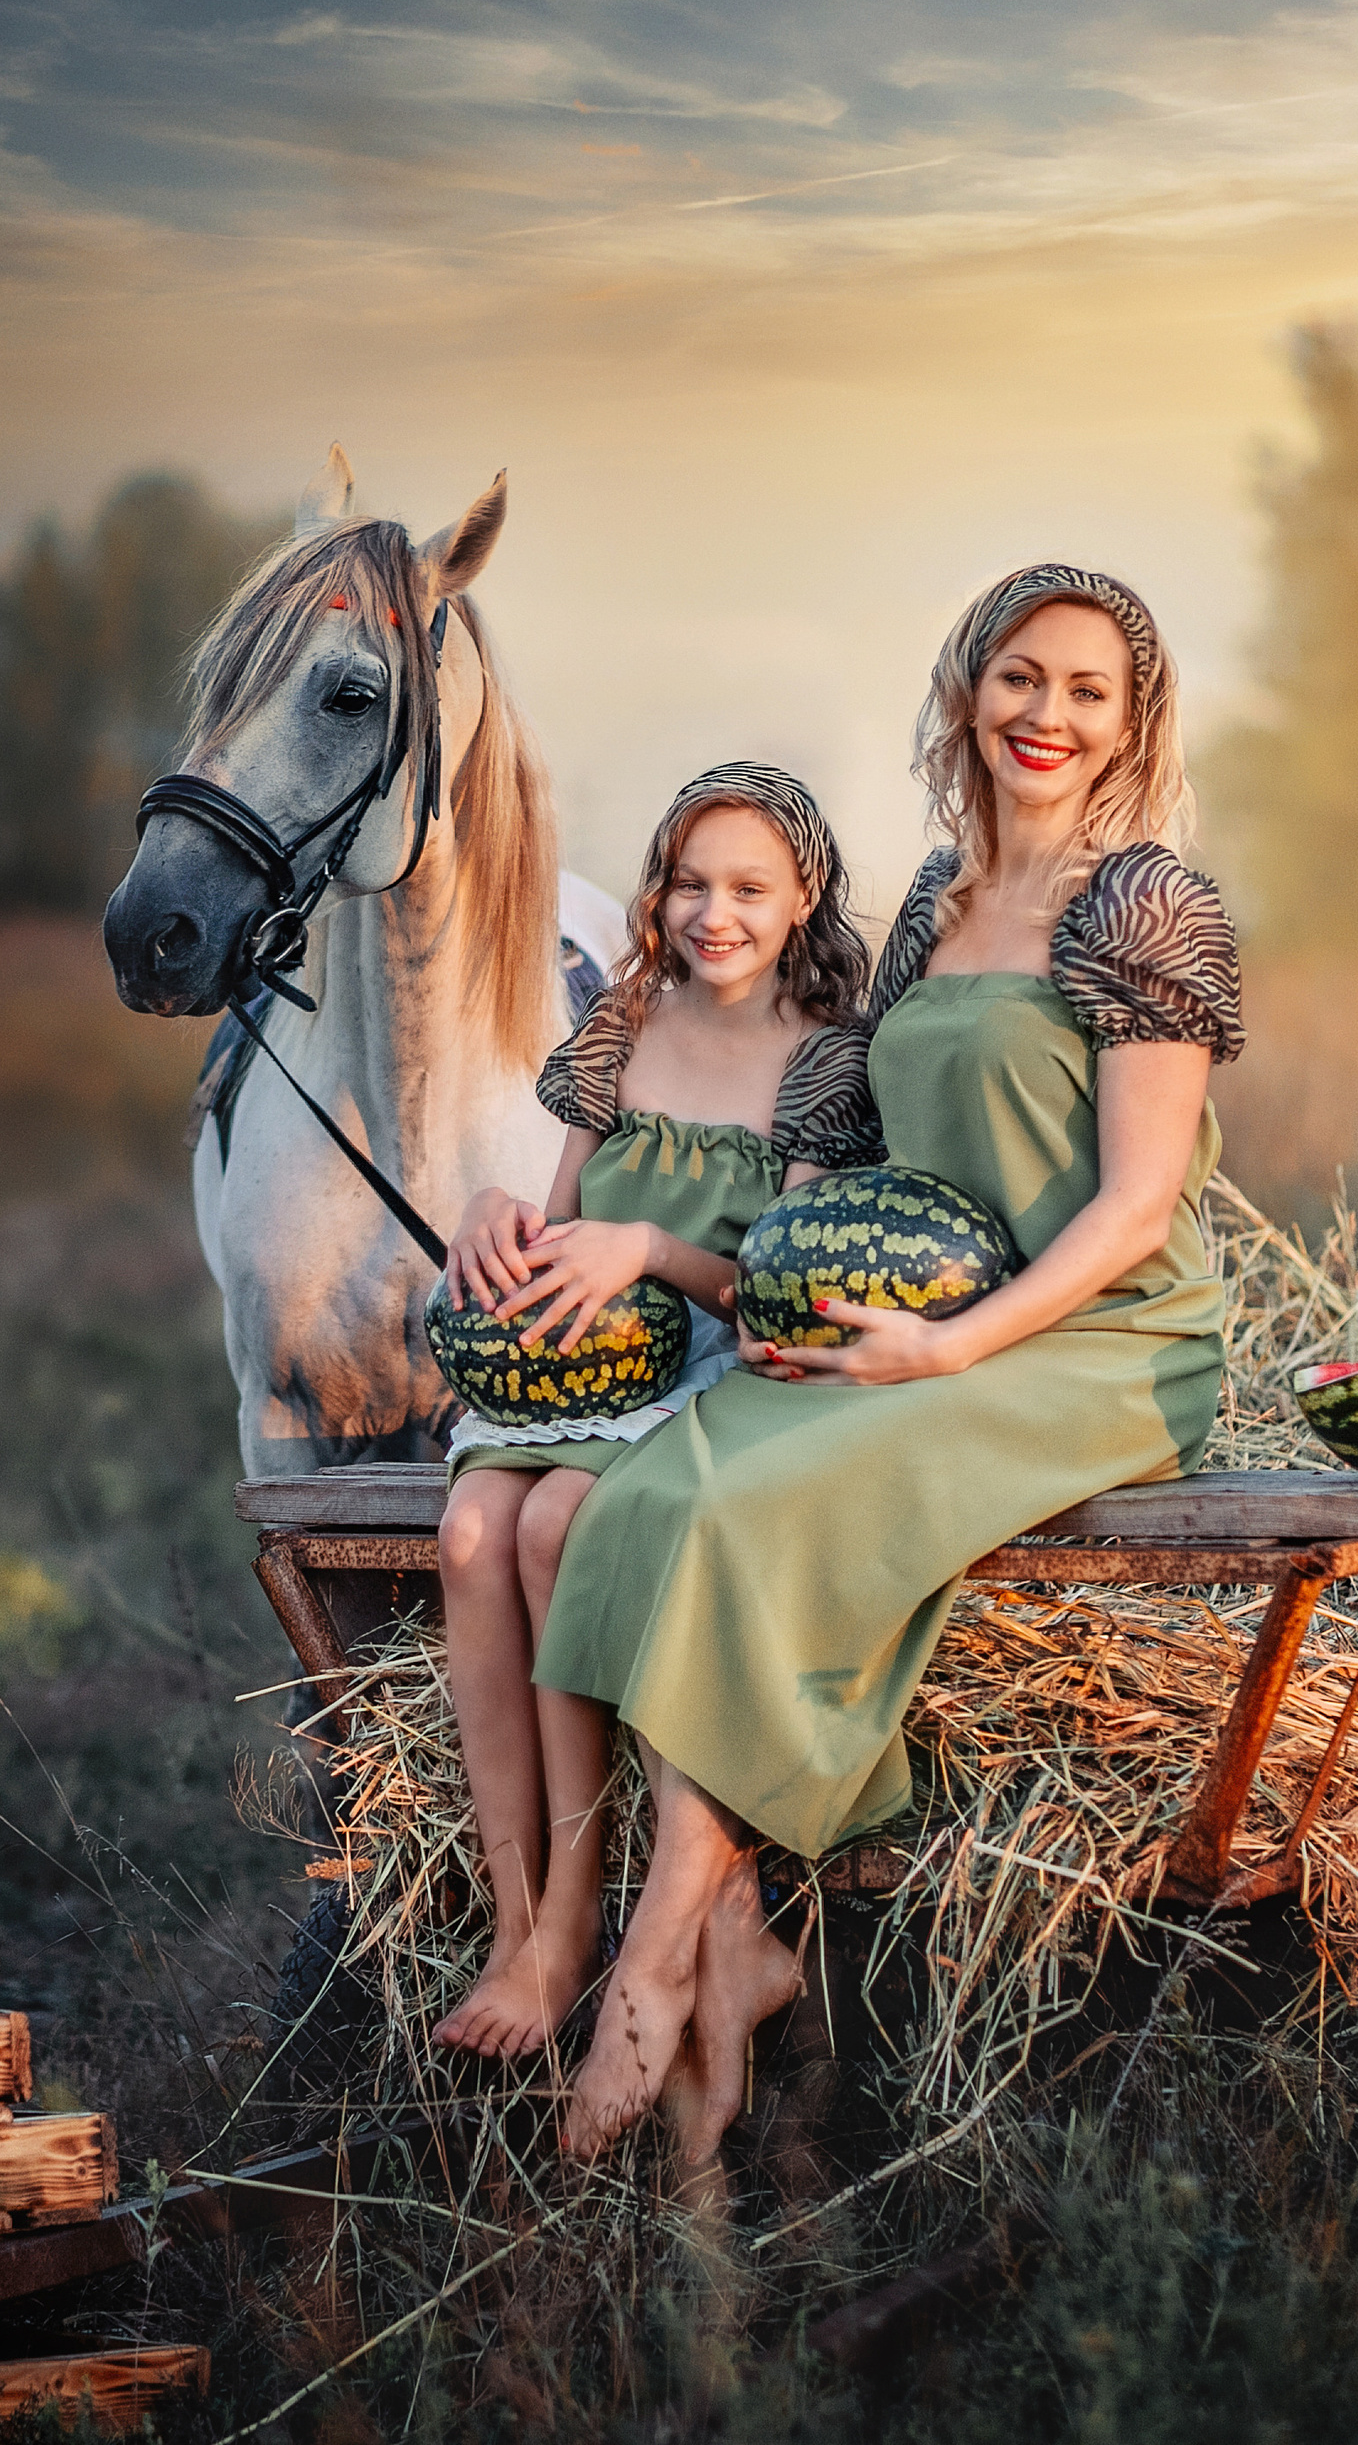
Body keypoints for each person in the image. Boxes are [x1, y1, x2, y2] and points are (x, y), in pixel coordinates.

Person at [535, 565, 1243, 2161]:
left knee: (757, 1510)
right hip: (918, 1310)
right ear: (967, 690)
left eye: (1086, 691)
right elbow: (846, 1133)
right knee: (661, 1490)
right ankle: (736, 1939)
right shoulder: (935, 900)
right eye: (1019, 677)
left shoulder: (1148, 905)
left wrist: (948, 1348)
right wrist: (776, 1284)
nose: (1046, 715)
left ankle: (656, 1951)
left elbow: (1136, 1208)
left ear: (1132, 721)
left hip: (1093, 1342)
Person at [431, 764, 879, 2059]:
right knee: (469, 1534)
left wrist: (651, 1251)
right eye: (689, 884)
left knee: (548, 1529)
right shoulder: (620, 1026)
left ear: (804, 898)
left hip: (706, 1371)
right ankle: (514, 1920)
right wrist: (496, 1219)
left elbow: (780, 1296)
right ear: (656, 893)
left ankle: (574, 1922)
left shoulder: (824, 1064)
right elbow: (562, 1218)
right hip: (579, 1364)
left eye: (748, 889)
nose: (713, 915)